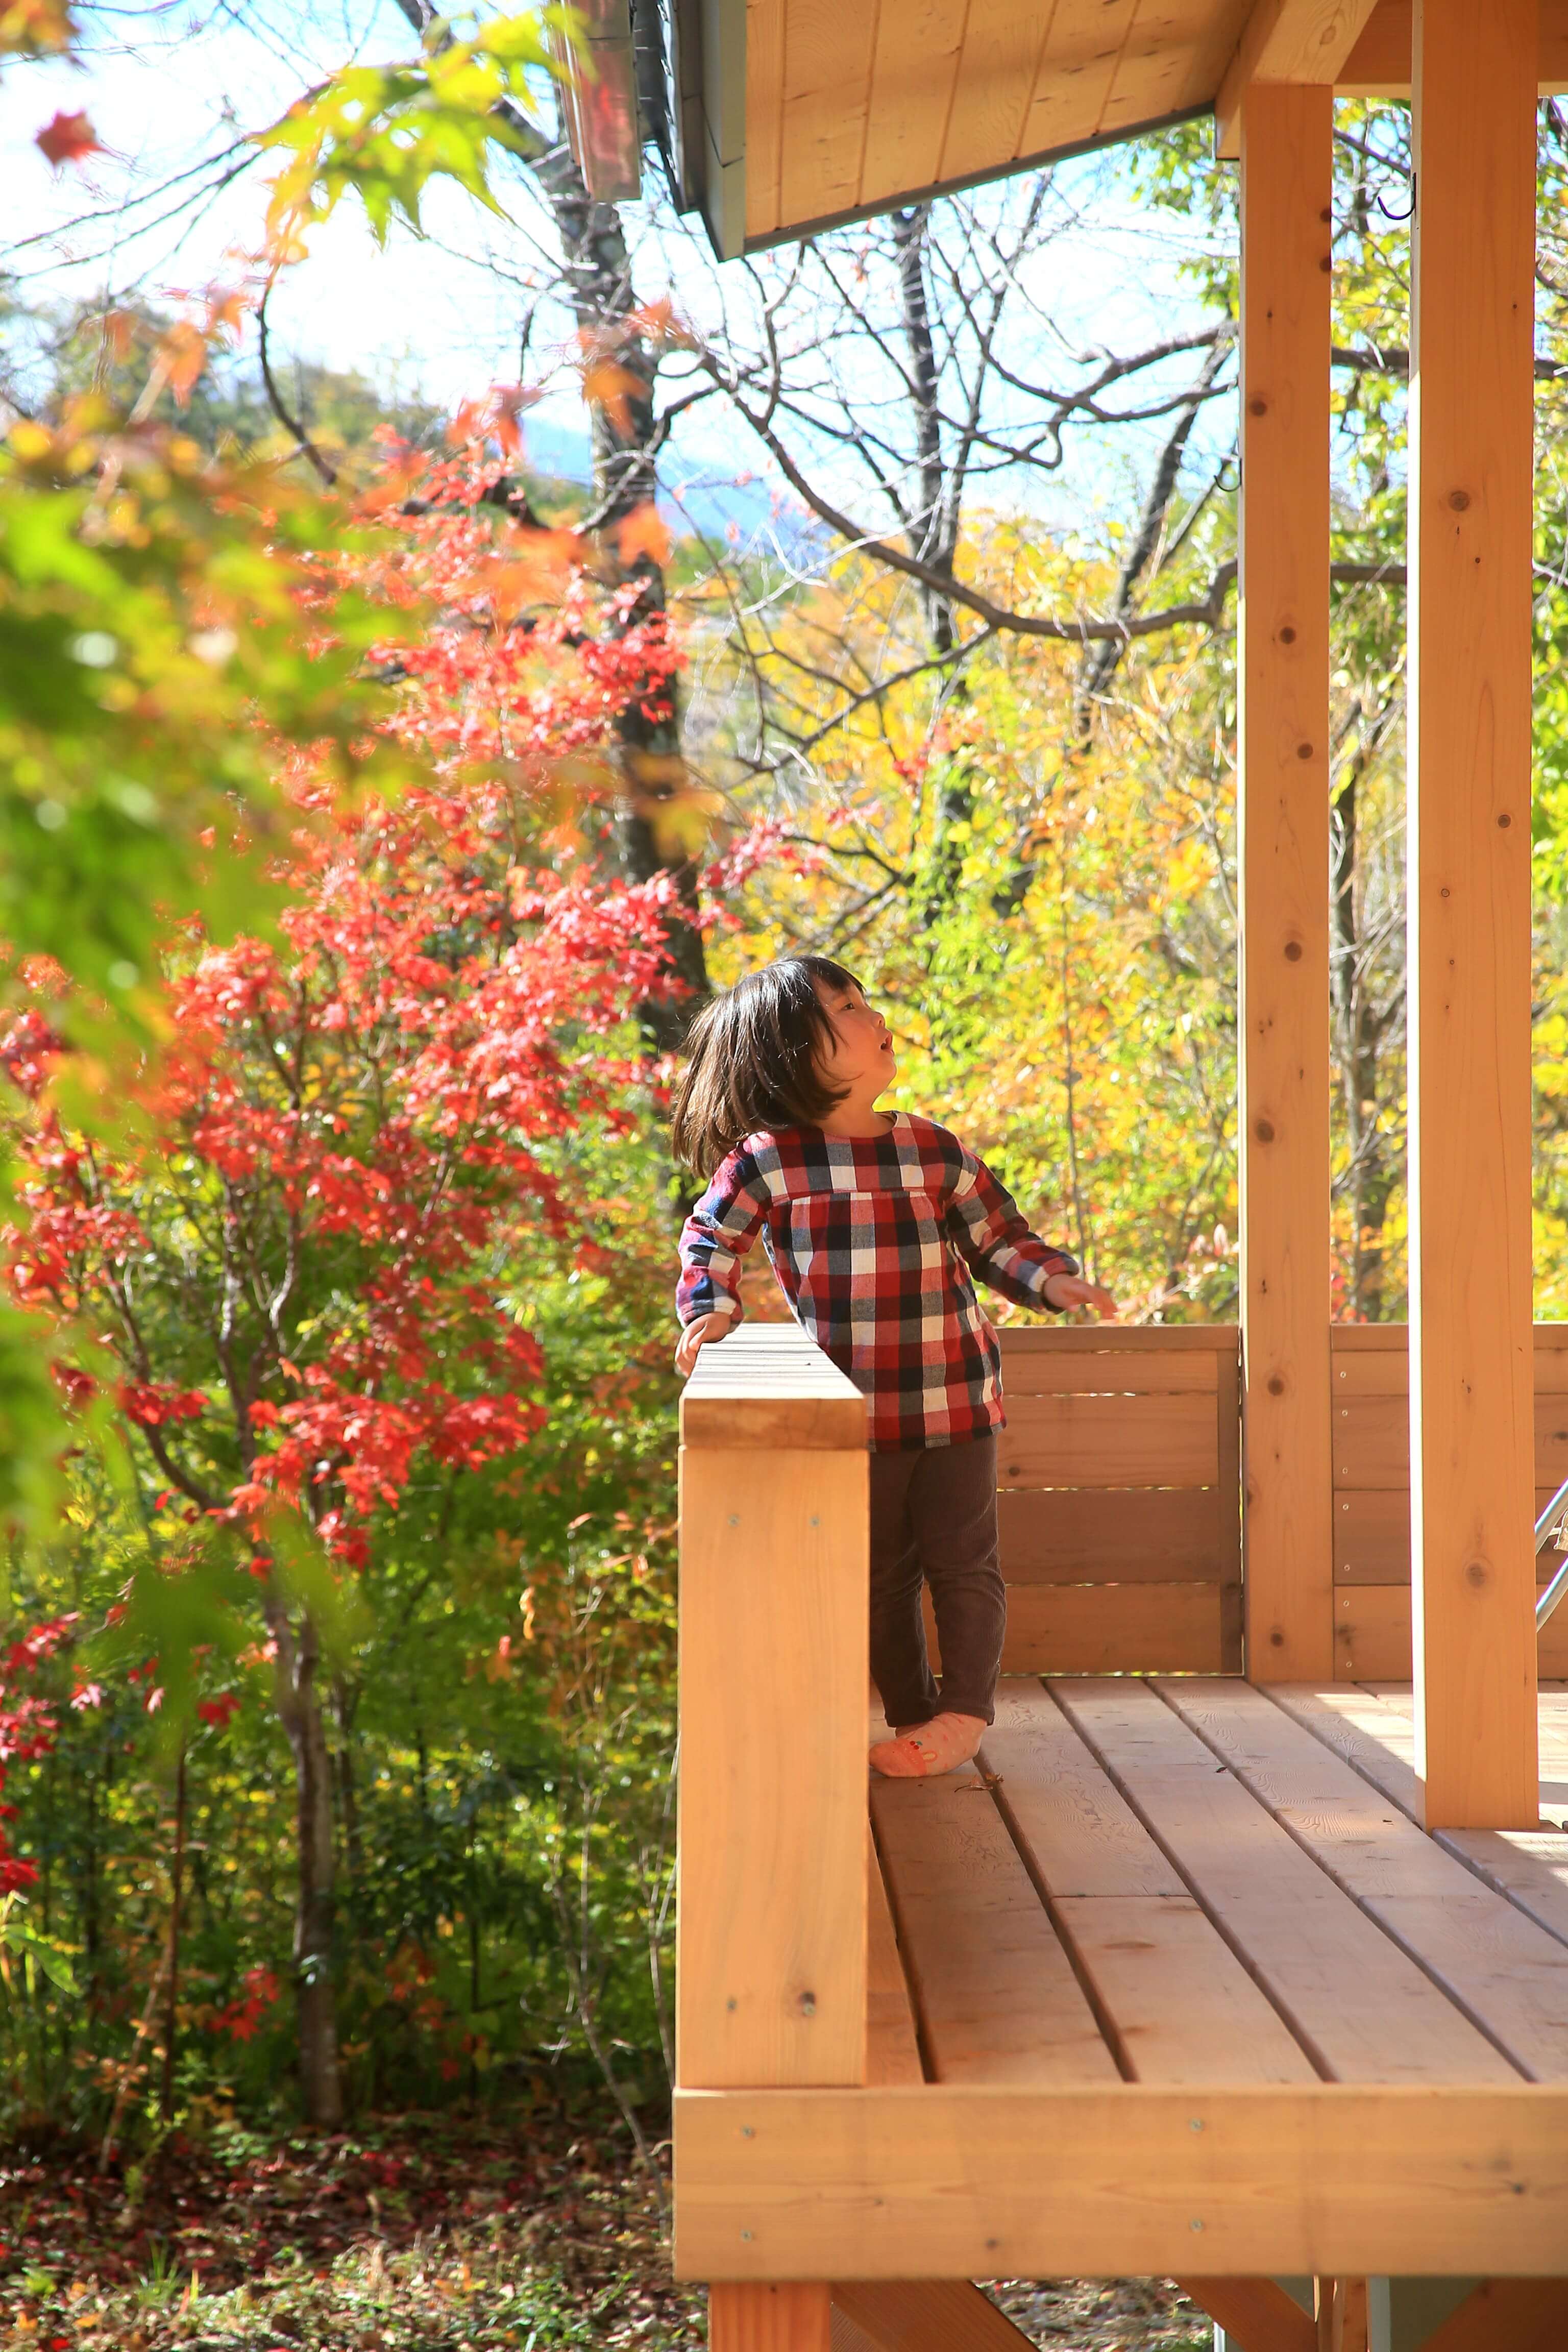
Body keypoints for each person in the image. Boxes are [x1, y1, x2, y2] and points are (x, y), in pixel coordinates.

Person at [670, 954, 1116, 1779]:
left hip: (956, 1398)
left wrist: (1051, 1279)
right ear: (793, 1051)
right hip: (855, 1412)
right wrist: (711, 1310)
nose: (873, 1015)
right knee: (878, 1574)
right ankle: (914, 1715)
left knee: (964, 1561)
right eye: (845, 1006)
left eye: (865, 998)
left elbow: (997, 1238)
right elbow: (709, 1240)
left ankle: (965, 1711)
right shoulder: (770, 1161)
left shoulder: (928, 1148)